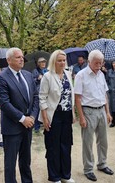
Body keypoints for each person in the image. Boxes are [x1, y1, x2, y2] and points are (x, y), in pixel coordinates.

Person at [0, 47, 39, 183]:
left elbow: (36, 97)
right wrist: (22, 119)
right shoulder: (1, 78)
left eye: (22, 57)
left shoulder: (27, 74)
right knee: (10, 163)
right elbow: (5, 104)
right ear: (9, 60)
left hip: (28, 125)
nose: (22, 59)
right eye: (18, 57)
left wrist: (32, 116)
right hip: (12, 127)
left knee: (26, 160)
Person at [74, 49, 114, 182]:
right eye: (96, 63)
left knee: (103, 141)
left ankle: (102, 164)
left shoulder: (101, 74)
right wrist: (81, 117)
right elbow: (77, 98)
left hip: (101, 109)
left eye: (101, 63)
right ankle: (88, 169)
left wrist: (107, 112)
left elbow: (105, 94)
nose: (99, 65)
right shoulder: (81, 75)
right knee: (87, 142)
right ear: (89, 61)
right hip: (88, 111)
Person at [39, 50, 75, 183]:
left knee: (66, 145)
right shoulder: (47, 76)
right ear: (54, 61)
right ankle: (54, 176)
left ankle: (66, 175)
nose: (62, 62)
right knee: (53, 146)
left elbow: (70, 94)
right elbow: (42, 98)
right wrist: (45, 117)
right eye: (59, 60)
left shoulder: (68, 74)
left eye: (64, 60)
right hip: (53, 115)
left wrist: (72, 113)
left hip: (66, 115)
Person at [32, 57, 48, 133]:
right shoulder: (35, 71)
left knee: (46, 108)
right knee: (38, 109)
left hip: (47, 92)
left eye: (44, 62)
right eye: (42, 62)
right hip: (38, 92)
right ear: (38, 64)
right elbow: (32, 82)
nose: (43, 64)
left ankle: (44, 122)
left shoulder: (47, 70)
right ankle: (36, 126)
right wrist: (38, 79)